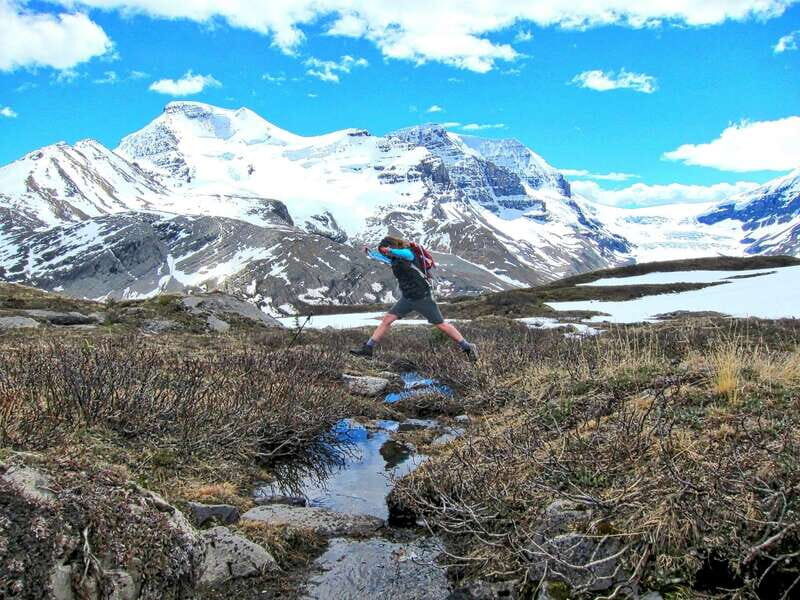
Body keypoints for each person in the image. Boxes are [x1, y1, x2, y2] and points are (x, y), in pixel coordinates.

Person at [350, 236, 477, 360]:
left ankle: (467, 347)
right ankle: (368, 349)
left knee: (441, 324)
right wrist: (370, 253)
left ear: (391, 246)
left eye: (386, 250)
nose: (387, 254)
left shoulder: (409, 254)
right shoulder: (393, 260)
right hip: (407, 298)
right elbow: (382, 258)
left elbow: (403, 253)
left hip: (423, 298)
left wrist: (387, 250)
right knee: (387, 320)